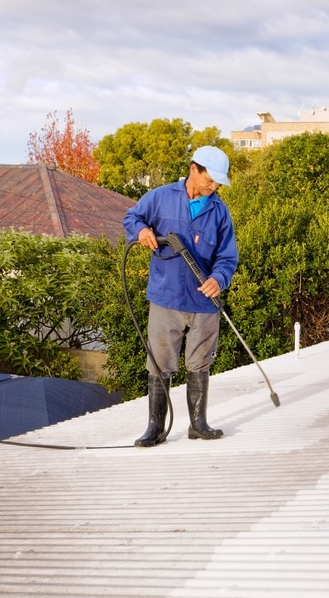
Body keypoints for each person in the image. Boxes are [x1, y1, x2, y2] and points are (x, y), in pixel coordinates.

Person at [123, 146, 238, 446]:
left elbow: (227, 258)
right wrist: (141, 231)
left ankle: (198, 425)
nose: (213, 187)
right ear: (193, 169)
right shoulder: (160, 197)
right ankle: (155, 429)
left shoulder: (220, 212)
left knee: (200, 362)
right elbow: (132, 217)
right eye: (210, 180)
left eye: (217, 183)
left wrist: (219, 279)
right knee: (159, 362)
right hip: (165, 298)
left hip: (204, 302)